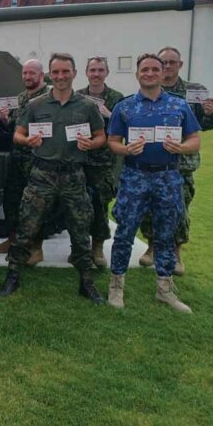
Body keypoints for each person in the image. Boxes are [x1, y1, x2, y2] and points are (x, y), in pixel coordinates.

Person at [0, 53, 106, 303]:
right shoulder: (36, 105)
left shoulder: (87, 106)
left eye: (65, 71)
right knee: (26, 227)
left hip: (73, 176)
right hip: (41, 174)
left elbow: (101, 135)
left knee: (80, 230)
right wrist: (27, 140)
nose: (60, 77)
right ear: (50, 74)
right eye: (55, 72)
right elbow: (18, 135)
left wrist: (91, 143)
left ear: (74, 73)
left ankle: (86, 281)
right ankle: (13, 275)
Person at [106, 54, 201, 313]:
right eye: (144, 69)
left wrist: (180, 147)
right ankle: (116, 285)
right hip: (135, 176)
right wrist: (126, 150)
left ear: (163, 73)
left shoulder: (179, 106)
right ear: (137, 74)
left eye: (155, 69)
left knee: (166, 233)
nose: (149, 73)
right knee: (125, 232)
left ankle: (165, 289)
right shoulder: (124, 107)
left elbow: (195, 140)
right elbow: (112, 141)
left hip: (168, 177)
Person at [138, 46, 213, 275]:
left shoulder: (194, 91)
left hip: (181, 162)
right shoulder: (149, 90)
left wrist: (209, 113)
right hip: (152, 158)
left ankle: (176, 253)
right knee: (150, 207)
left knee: (179, 207)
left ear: (180, 65)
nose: (168, 66)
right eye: (164, 62)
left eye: (173, 62)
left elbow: (205, 126)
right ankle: (152, 248)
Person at [0, 59, 51, 263]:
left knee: (37, 206)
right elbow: (15, 127)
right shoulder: (20, 97)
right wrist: (6, 120)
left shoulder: (49, 96)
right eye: (25, 73)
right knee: (12, 200)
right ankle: (13, 239)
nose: (27, 77)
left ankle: (36, 247)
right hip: (19, 159)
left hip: (40, 160)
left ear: (41, 75)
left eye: (32, 73)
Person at [78, 56, 124, 268]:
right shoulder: (78, 96)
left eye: (100, 70)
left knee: (99, 204)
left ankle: (97, 247)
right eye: (92, 70)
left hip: (103, 161)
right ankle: (79, 247)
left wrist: (110, 115)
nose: (96, 74)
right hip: (80, 158)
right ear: (86, 72)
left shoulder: (116, 98)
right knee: (77, 205)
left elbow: (127, 127)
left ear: (106, 73)